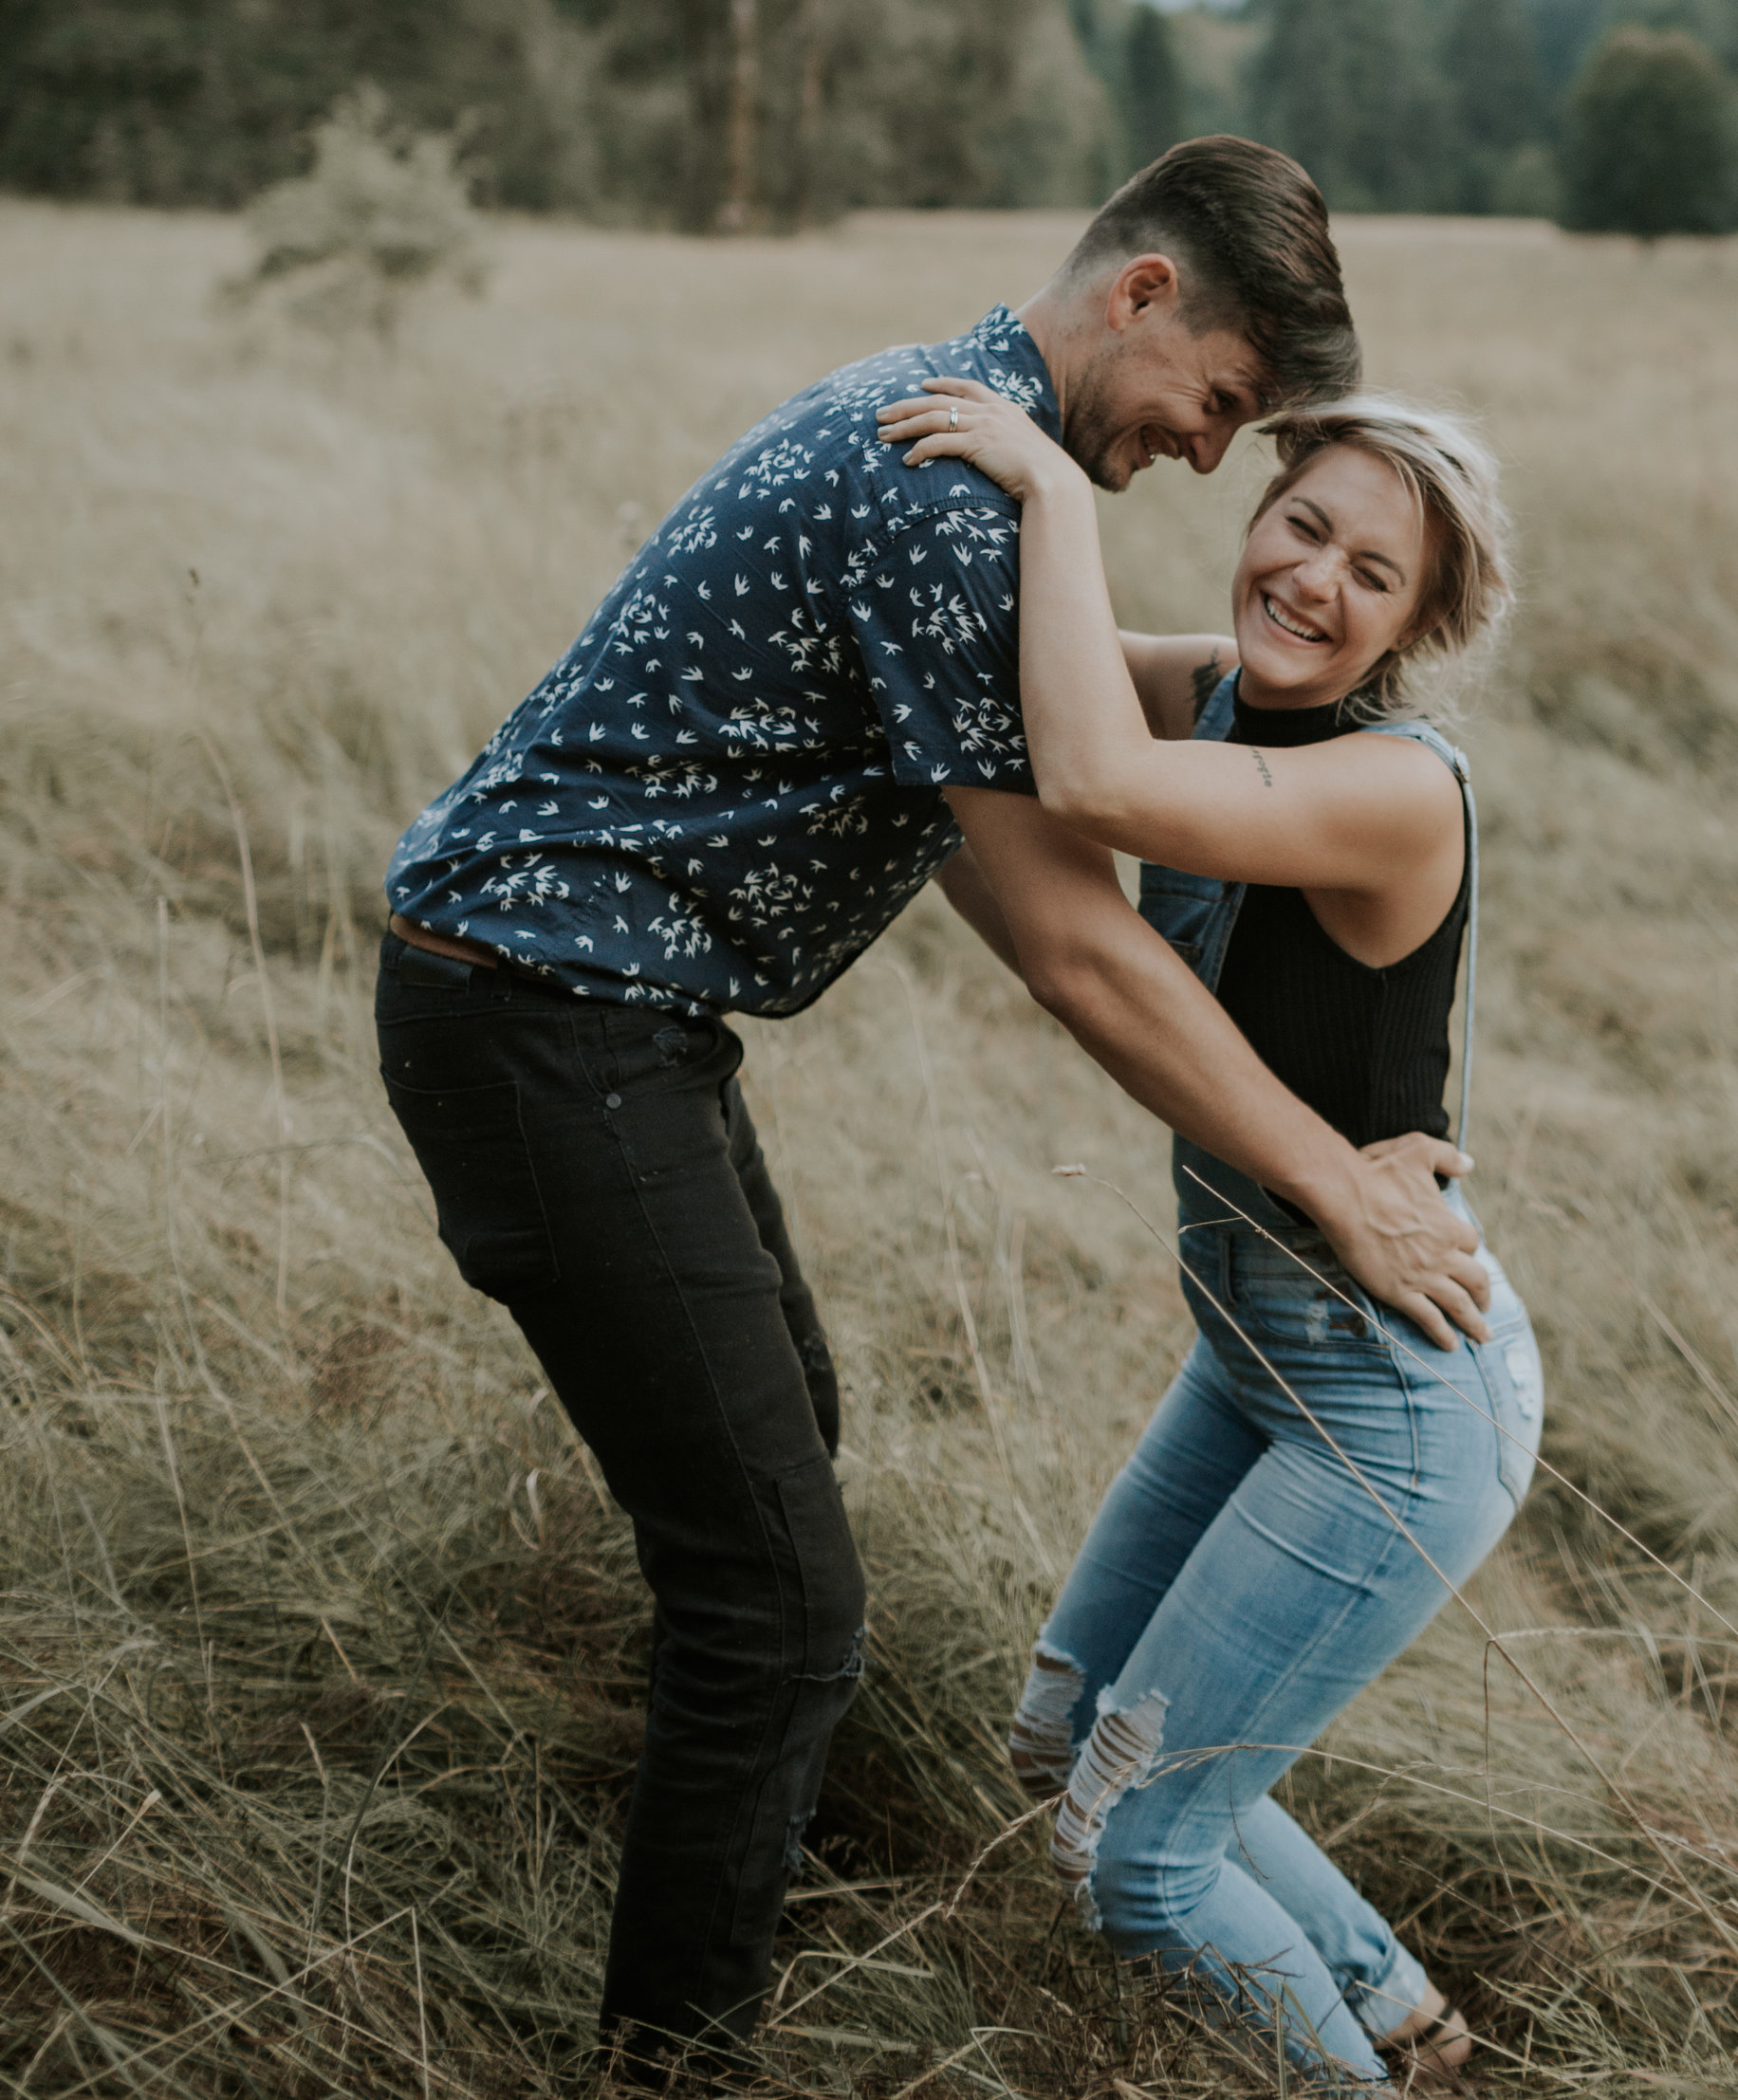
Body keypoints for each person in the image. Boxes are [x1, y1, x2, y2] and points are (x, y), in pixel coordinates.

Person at [372, 139, 1491, 2090]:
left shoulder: (962, 457)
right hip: (549, 1026)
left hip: (594, 1018)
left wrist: (1204, 581)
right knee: (781, 1601)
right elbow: (1074, 939)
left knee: (780, 1471)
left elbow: (1077, 775)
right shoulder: (946, 498)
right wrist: (1335, 1184)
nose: (1214, 461)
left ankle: (732, 1915)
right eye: (1221, 408)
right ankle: (681, 2056)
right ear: (1141, 294)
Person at [876, 371, 1540, 2085]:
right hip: (1253, 1354)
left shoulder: (1397, 787)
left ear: (1419, 625)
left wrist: (1053, 489)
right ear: (1257, 518)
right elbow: (1039, 708)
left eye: (1372, 574)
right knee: (1064, 1737)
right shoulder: (1221, 691)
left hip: (1390, 1399)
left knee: (1137, 1861)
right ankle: (1404, 2021)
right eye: (1303, 523)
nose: (1316, 579)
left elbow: (1086, 776)